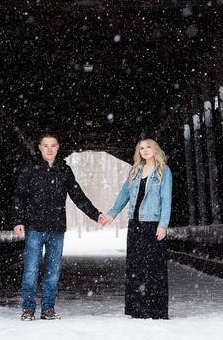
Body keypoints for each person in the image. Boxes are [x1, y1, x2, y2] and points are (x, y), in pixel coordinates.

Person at [12, 132, 108, 321]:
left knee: (53, 272)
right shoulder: (30, 169)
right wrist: (18, 220)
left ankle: (48, 309)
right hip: (34, 227)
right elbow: (19, 195)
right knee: (30, 270)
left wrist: (96, 214)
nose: (49, 149)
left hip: (57, 229)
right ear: (39, 147)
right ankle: (28, 309)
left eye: (53, 145)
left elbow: (77, 195)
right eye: (45, 145)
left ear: (58, 147)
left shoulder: (64, 170)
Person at [105, 139, 172, 319]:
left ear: (155, 149)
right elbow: (124, 194)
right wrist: (112, 214)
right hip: (135, 224)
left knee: (155, 267)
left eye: (148, 147)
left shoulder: (164, 171)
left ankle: (156, 310)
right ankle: (138, 309)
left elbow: (166, 200)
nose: (144, 150)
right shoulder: (135, 171)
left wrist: (163, 224)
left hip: (152, 223)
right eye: (141, 148)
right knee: (136, 266)